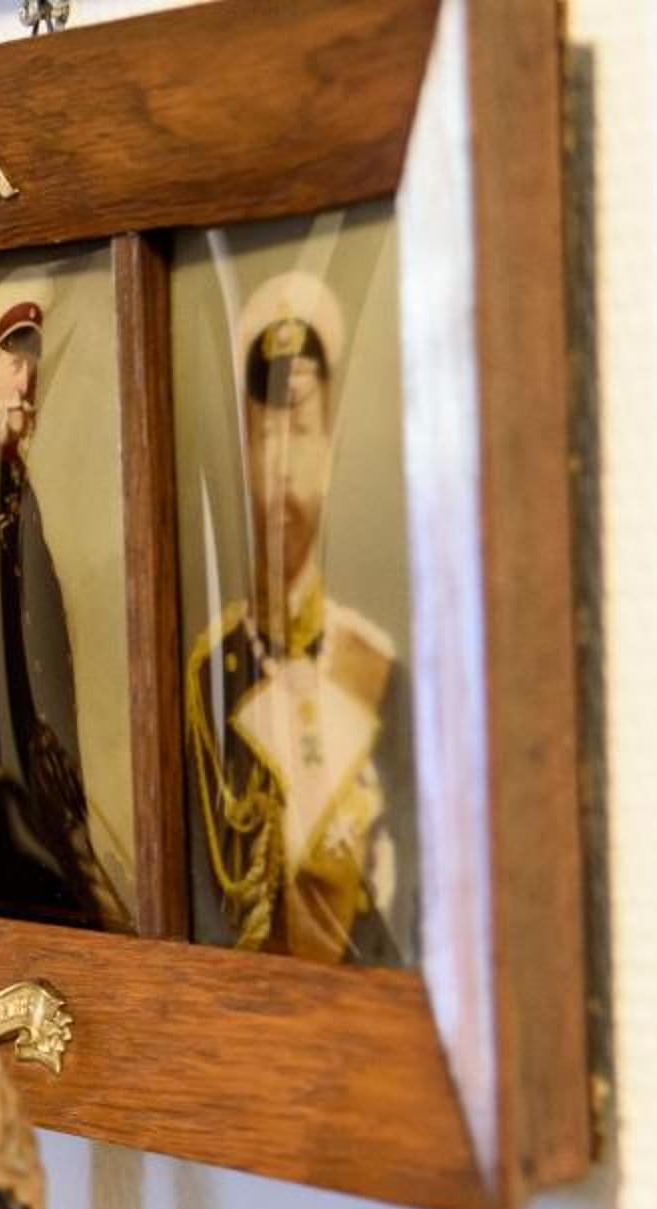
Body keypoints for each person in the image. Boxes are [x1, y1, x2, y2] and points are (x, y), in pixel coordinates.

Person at [185, 268, 410, 965]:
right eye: (265, 437)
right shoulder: (210, 675)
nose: (283, 464)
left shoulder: (378, 672)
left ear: (330, 455)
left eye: (303, 432)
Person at [0, 270, 128, 931]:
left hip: (38, 746)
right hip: (0, 760)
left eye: (33, 368)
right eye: (15, 365)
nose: (26, 383)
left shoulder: (19, 475)